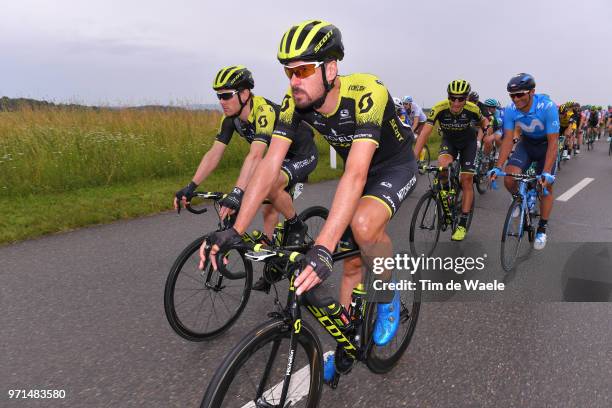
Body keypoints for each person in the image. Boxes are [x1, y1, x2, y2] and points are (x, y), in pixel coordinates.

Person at [200, 20, 418, 377]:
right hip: (358, 171)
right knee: (349, 263)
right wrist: (236, 228)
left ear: (331, 69)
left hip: (393, 166)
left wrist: (322, 249)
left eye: (302, 70)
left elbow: (357, 174)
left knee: (362, 226)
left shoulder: (367, 92)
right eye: (288, 72)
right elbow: (270, 165)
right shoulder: (293, 102)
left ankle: (387, 292)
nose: (293, 81)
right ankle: (347, 342)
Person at [174, 65, 318, 291]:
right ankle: (273, 262)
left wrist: (238, 192)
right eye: (218, 95)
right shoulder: (231, 119)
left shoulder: (263, 111)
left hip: (301, 154)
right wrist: (191, 186)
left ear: (244, 94)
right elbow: (214, 154)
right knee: (268, 207)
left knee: (268, 187)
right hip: (276, 158)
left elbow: (255, 155)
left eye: (226, 95)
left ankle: (296, 225)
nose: (221, 101)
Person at [489, 73, 559, 250]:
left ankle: (542, 229)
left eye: (520, 94)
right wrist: (498, 166)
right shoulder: (511, 110)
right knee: (509, 178)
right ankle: (519, 200)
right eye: (512, 95)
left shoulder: (547, 107)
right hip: (526, 144)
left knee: (545, 187)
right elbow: (507, 140)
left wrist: (547, 172)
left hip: (545, 146)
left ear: (532, 92)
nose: (516, 99)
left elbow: (553, 142)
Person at [413, 79, 489, 241]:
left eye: (460, 98)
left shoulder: (472, 108)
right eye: (452, 97)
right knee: (442, 167)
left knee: (466, 180)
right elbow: (425, 133)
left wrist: (486, 132)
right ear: (447, 96)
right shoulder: (439, 108)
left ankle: (462, 223)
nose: (456, 102)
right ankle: (447, 192)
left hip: (468, 144)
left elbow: (484, 121)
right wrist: (414, 158)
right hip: (449, 142)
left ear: (466, 98)